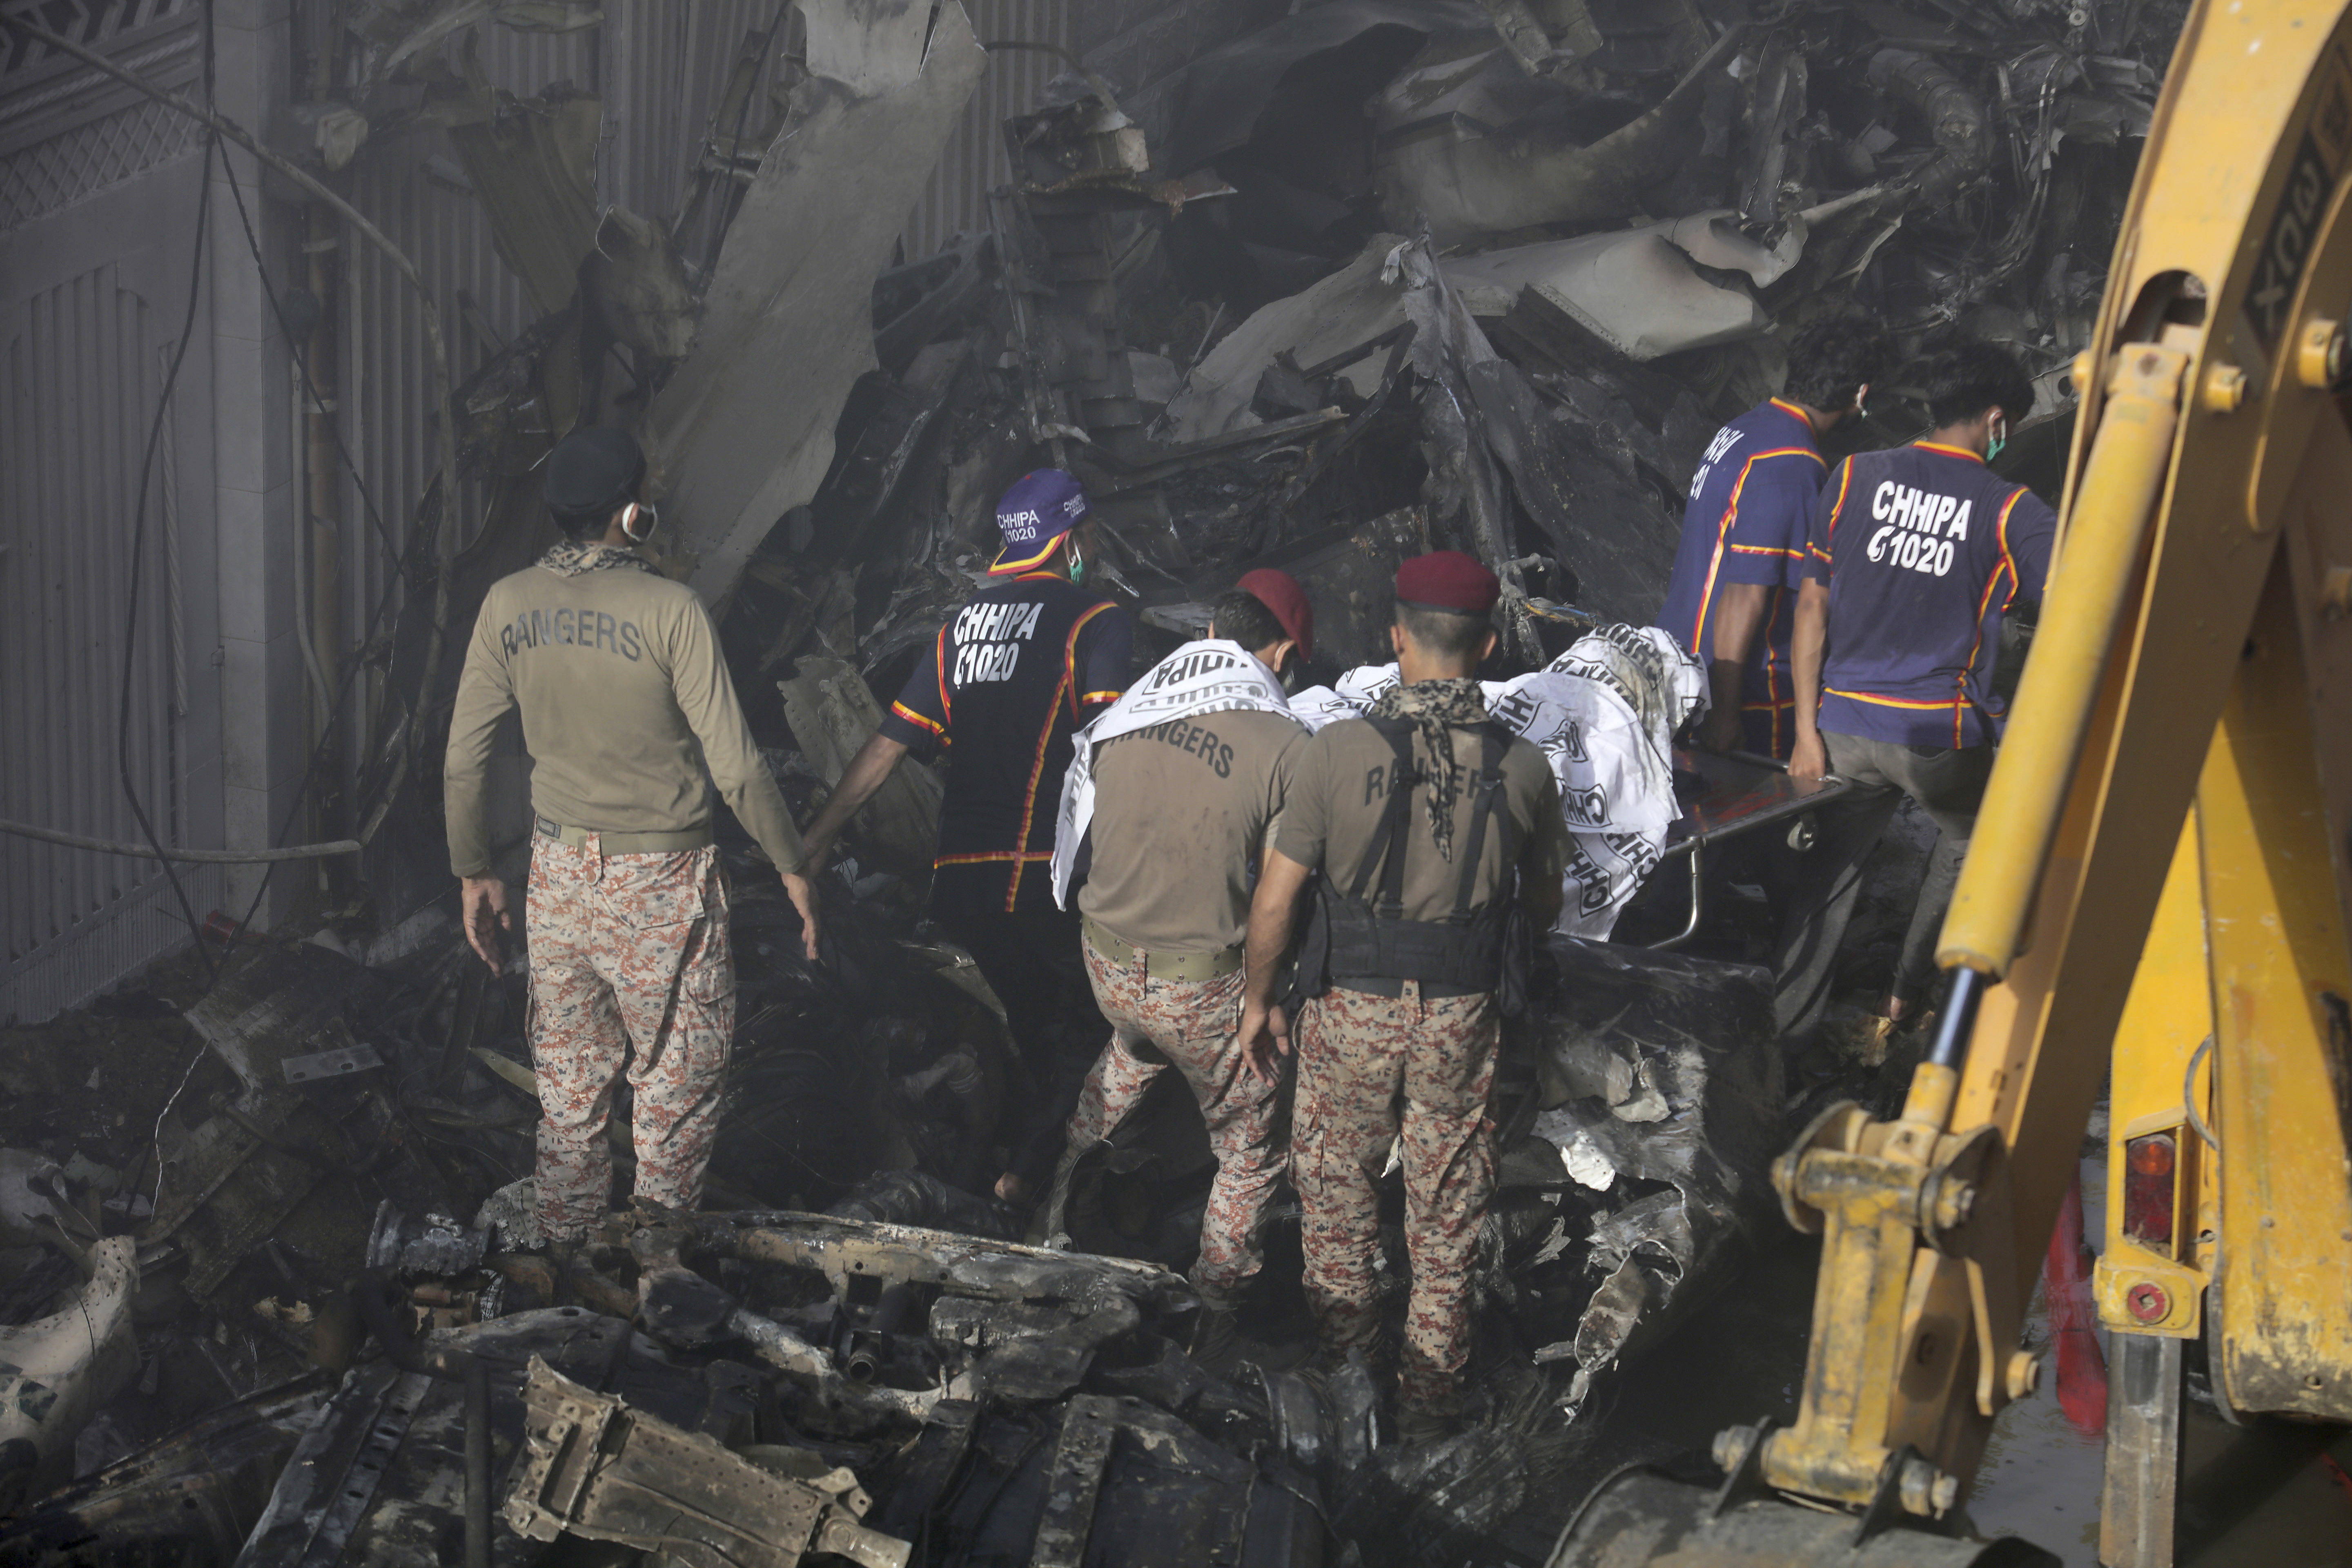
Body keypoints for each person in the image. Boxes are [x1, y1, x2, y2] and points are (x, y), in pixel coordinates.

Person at [443, 426, 822, 1245]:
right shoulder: (671, 610)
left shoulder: (507, 603)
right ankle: (657, 1278)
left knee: (570, 1098)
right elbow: (738, 768)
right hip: (664, 884)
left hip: (558, 878)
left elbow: (465, 755)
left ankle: (566, 1264)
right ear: (632, 514)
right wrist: (793, 864)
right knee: (674, 1095)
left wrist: (474, 870)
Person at [1239, 552, 1569, 1441]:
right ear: (1490, 646)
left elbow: (1275, 901)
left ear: (1395, 639)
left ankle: (1350, 1392)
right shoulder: (1526, 768)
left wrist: (1259, 999)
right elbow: (1545, 905)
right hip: (1462, 1014)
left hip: (1350, 1006)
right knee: (1447, 1218)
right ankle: (1429, 1412)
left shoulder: (1335, 753)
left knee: (1337, 1204)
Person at [801, 469, 1133, 1206]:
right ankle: (1030, 1179)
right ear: (1073, 541)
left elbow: (889, 745)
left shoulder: (964, 626)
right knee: (1096, 1027)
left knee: (1039, 1028)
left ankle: (1013, 1173)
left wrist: (817, 838)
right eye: (1090, 534)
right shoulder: (1096, 619)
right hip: (1043, 873)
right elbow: (1109, 746)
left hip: (962, 883)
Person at [1048, 570, 1315, 1364]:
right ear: (1285, 654)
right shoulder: (1286, 745)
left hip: (1105, 965)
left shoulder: (1131, 711)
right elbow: (1277, 904)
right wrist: (1264, 999)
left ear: (1210, 634)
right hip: (1199, 989)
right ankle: (1210, 1322)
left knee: (1131, 1052)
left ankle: (1054, 1214)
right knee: (1251, 1154)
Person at [1779, 342, 2056, 1041]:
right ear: (1996, 419)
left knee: (1828, 874)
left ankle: (1785, 1022)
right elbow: (2083, 602)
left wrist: (1806, 732)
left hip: (1841, 725)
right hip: (1937, 736)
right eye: (2013, 425)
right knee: (1974, 842)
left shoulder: (1853, 474)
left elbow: (1811, 607)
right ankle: (1902, 999)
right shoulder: (2011, 508)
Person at [1657, 312, 1894, 757]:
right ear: (1862, 394)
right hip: (1740, 694)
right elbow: (1745, 594)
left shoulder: (1743, 428)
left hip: (1680, 663)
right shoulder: (1793, 463)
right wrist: (1726, 715)